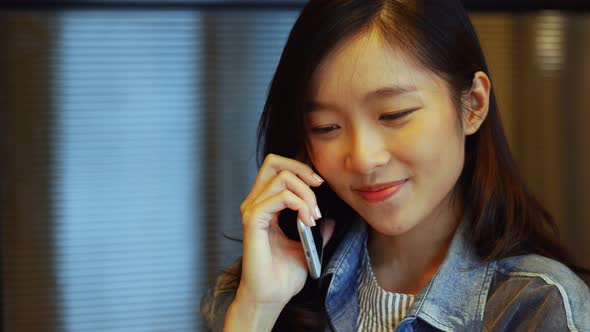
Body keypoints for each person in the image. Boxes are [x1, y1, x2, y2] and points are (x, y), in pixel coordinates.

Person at [201, 0, 590, 331]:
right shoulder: (255, 292)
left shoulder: (536, 304)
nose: (364, 159)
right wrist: (257, 309)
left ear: (472, 104)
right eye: (326, 127)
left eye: (393, 114)